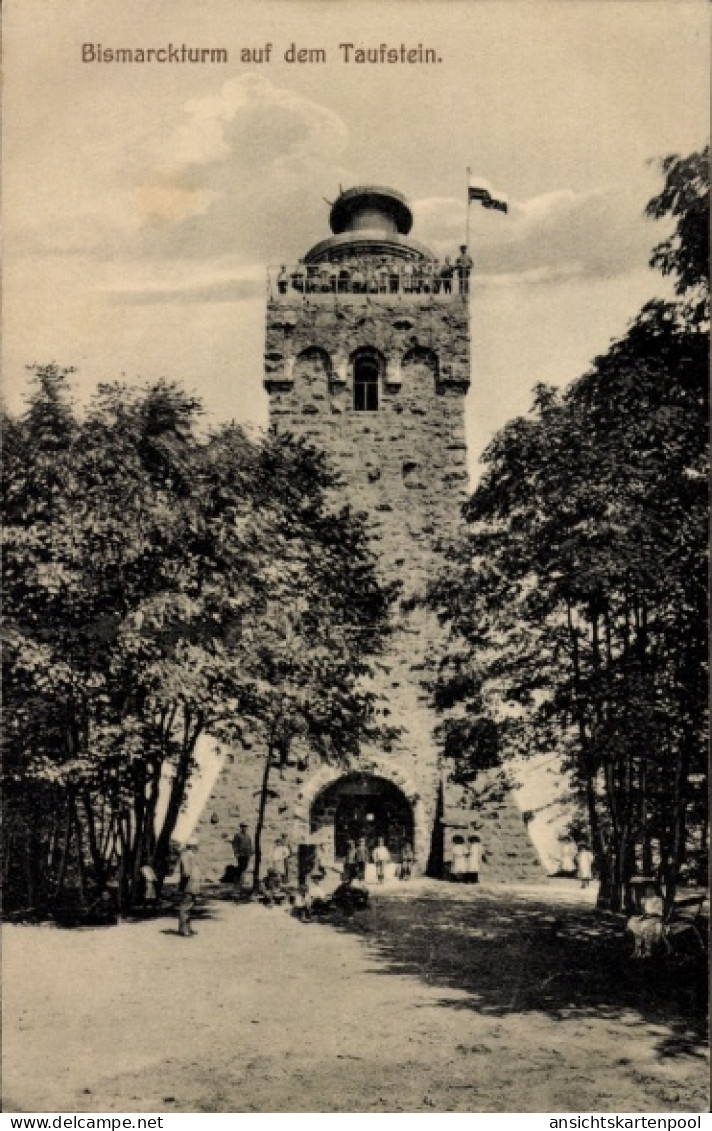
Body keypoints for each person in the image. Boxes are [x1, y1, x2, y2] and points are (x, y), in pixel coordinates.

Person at [626, 883, 664, 958]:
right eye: (647, 891)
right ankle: (638, 949)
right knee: (633, 922)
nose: (648, 892)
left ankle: (647, 950)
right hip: (646, 917)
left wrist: (648, 916)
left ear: (654, 891)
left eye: (650, 890)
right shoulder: (645, 899)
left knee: (645, 926)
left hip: (655, 918)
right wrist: (643, 905)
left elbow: (659, 913)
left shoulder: (658, 900)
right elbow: (643, 912)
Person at [178, 840, 201, 937]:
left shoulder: (191, 855)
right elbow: (186, 872)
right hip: (189, 884)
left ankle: (187, 927)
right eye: (196, 846)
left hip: (193, 884)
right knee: (186, 907)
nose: (197, 848)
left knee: (190, 906)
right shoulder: (186, 855)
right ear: (191, 846)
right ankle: (183, 929)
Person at [232, 823, 253, 894]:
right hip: (241, 854)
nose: (244, 828)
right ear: (241, 828)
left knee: (245, 867)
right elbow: (235, 844)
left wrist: (251, 852)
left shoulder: (248, 836)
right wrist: (236, 853)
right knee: (241, 866)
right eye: (243, 827)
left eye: (245, 827)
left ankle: (241, 880)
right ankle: (237, 880)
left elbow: (250, 844)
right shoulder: (237, 835)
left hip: (247, 854)